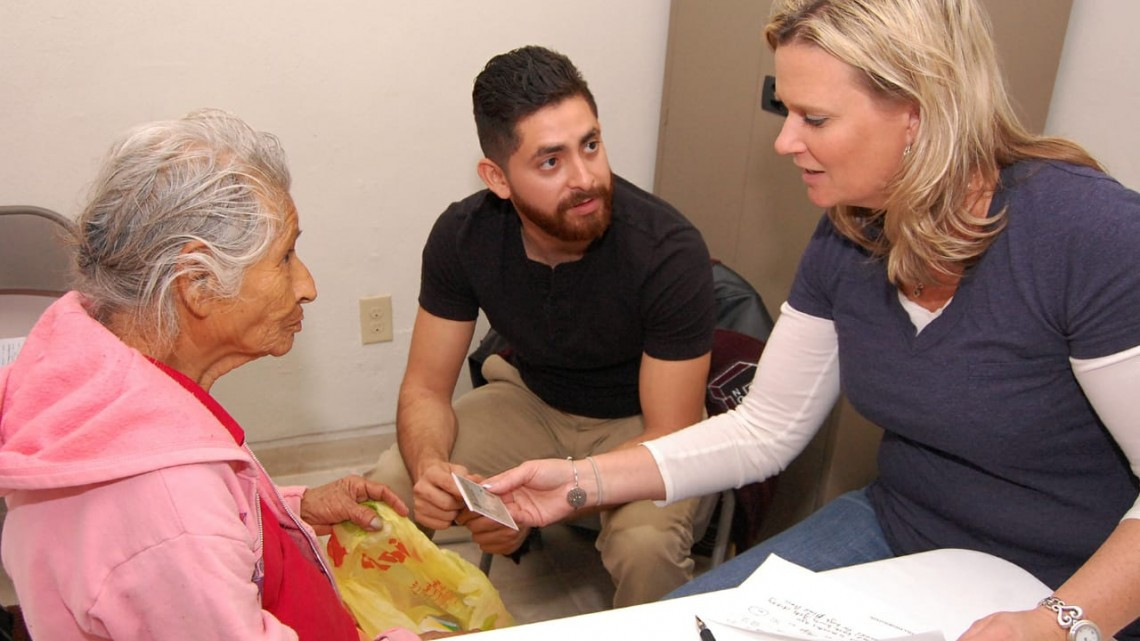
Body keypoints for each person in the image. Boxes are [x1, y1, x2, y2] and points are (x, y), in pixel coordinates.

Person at [486, 1, 1140, 639]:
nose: (784, 140)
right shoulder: (848, 236)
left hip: (1079, 583)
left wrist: (1056, 623)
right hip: (902, 527)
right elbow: (763, 430)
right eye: (785, 108)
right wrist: (578, 482)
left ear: (918, 113)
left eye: (814, 118)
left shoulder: (1088, 235)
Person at [0, 109, 419, 641]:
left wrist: (291, 511)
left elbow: (179, 556)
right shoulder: (168, 510)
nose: (307, 285)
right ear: (196, 282)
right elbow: (175, 537)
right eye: (285, 256)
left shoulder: (100, 382)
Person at [366, 45, 716, 607]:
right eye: (551, 161)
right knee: (393, 483)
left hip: (642, 423)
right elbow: (427, 388)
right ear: (497, 178)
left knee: (645, 545)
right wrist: (432, 469)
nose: (587, 179)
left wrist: (544, 498)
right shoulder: (464, 236)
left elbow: (670, 429)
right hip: (531, 402)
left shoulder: (667, 250)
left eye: (592, 146)